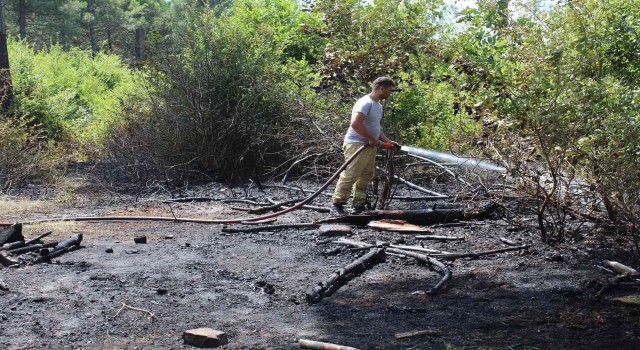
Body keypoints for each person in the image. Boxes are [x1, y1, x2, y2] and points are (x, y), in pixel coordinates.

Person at [332, 76, 400, 215]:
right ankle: (338, 203)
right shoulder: (365, 103)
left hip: (369, 145)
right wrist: (371, 139)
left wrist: (388, 141)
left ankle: (359, 204)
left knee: (366, 174)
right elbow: (355, 124)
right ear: (382, 89)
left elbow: (376, 128)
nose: (389, 93)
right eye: (389, 90)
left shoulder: (378, 106)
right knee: (351, 173)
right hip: (357, 144)